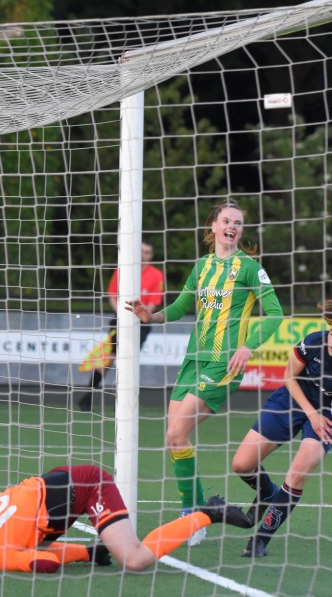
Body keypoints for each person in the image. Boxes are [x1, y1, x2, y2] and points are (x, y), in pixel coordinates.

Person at [125, 199, 283, 546]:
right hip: (193, 362)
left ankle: (193, 517)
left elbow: (274, 314)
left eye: (238, 223)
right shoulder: (202, 266)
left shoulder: (249, 268)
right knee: (172, 437)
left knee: (177, 434)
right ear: (213, 227)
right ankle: (196, 511)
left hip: (223, 364)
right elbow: (182, 306)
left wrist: (247, 346)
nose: (233, 226)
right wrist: (151, 316)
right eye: (226, 220)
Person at [0, 464, 252, 573]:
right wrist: (89, 553)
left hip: (86, 488)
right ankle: (95, 552)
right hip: (56, 480)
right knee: (32, 540)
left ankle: (209, 512)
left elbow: (44, 564)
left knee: (133, 559)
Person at [231, 297, 332, 558]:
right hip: (292, 399)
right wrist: (311, 414)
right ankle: (268, 492)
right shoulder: (314, 342)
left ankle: (260, 540)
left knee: (297, 473)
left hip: (330, 413)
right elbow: (288, 376)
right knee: (241, 465)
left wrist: (321, 417)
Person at [78, 240, 164, 412]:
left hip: (142, 323)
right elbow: (112, 295)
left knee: (130, 359)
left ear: (151, 256)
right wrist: (122, 314)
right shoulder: (123, 270)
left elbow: (155, 302)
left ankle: (126, 401)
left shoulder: (156, 275)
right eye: (141, 250)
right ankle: (88, 395)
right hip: (120, 320)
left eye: (147, 252)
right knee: (109, 358)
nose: (143, 254)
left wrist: (142, 316)